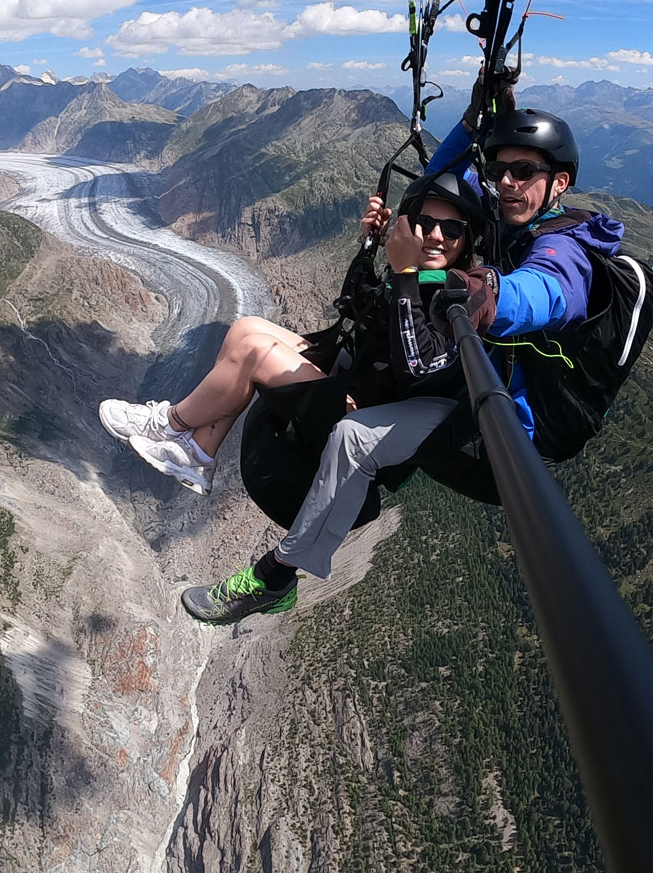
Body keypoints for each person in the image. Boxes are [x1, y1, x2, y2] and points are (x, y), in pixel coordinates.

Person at [177, 98, 624, 624]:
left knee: (353, 438)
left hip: (502, 426)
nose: (505, 183)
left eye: (523, 172)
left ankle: (275, 578)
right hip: (472, 388)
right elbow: (438, 185)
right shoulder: (511, 217)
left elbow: (542, 294)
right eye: (501, 169)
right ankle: (194, 440)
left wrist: (444, 283)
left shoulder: (566, 250)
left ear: (560, 183)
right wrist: (470, 122)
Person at [99, 174, 489, 610]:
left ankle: (170, 424)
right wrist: (370, 248)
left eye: (451, 229)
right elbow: (355, 310)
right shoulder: (413, 275)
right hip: (354, 385)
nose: (435, 235)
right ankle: (199, 451)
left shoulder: (457, 290)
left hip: (363, 413)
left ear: (466, 238)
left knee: (251, 351)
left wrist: (403, 274)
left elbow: (417, 365)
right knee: (246, 328)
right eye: (424, 222)